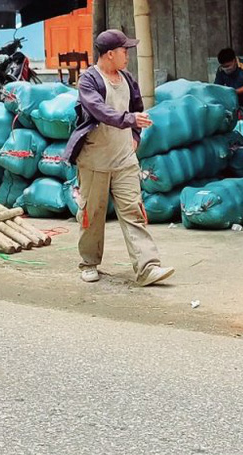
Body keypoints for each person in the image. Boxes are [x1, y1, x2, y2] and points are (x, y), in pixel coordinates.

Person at [65, 29, 173, 287]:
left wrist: (135, 133)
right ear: (110, 54)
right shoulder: (89, 81)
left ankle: (148, 267)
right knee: (92, 213)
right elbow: (100, 111)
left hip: (124, 159)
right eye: (125, 51)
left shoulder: (126, 77)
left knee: (134, 211)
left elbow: (137, 108)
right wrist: (130, 121)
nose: (128, 56)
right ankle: (89, 262)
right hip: (95, 160)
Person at [214, 48, 243, 117]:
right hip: (231, 99)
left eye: (228, 66)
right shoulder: (221, 70)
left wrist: (233, 92)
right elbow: (217, 86)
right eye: (223, 66)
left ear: (234, 61)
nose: (226, 68)